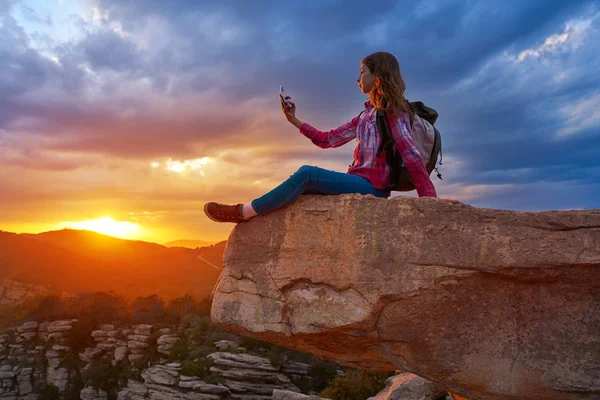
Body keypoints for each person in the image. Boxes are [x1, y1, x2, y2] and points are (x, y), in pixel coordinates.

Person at [204, 51, 458, 223]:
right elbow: (327, 139)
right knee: (300, 191)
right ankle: (251, 214)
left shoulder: (394, 112)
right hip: (357, 182)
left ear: (377, 77)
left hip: (373, 189)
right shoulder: (365, 116)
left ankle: (242, 212)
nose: (357, 78)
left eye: (362, 72)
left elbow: (412, 157)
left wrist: (431, 204)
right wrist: (293, 119)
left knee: (306, 174)